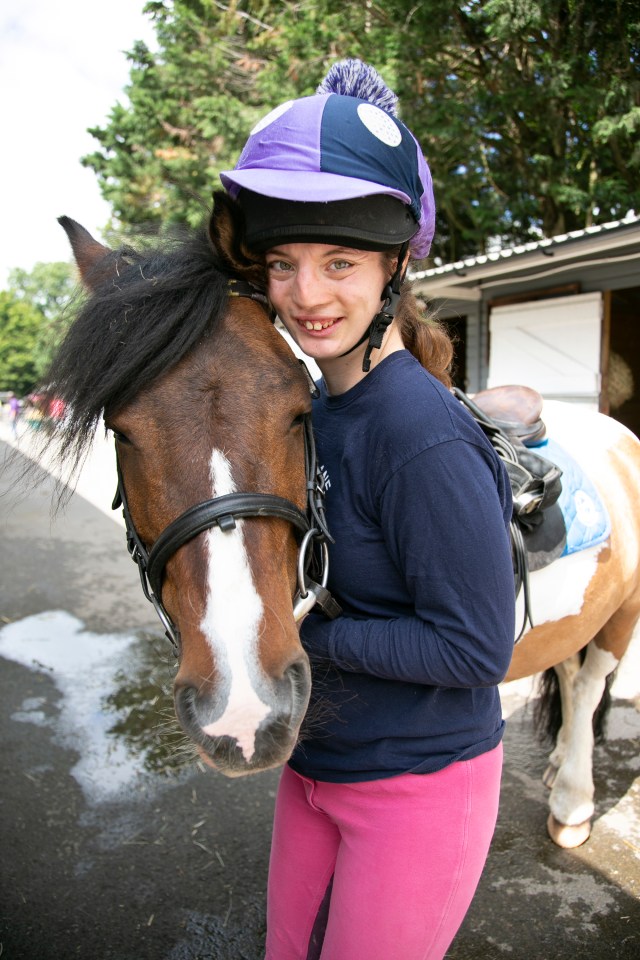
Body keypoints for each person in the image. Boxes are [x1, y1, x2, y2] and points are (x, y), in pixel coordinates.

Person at [221, 59, 515, 960]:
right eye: (284, 264)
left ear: (393, 268)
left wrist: (298, 633)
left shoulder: (419, 434)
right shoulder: (316, 406)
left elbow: (475, 649)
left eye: (339, 263)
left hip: (418, 783)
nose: (307, 295)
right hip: (315, 765)